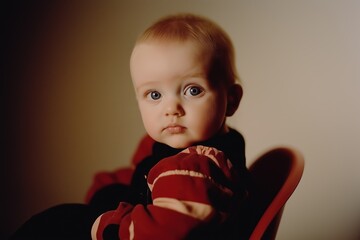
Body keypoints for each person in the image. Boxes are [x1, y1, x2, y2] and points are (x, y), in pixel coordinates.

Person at [11, 13, 255, 240]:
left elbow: (159, 233)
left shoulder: (197, 169)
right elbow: (141, 171)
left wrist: (96, 223)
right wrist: (107, 188)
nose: (171, 109)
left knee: (54, 224)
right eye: (154, 94)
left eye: (193, 90)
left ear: (231, 99)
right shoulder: (177, 150)